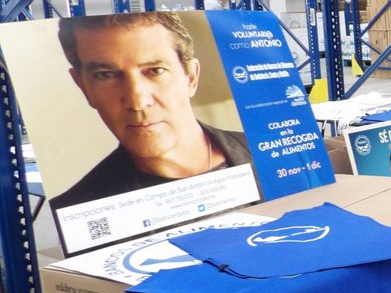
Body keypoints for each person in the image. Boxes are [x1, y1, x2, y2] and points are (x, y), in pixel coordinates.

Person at [51, 12, 252, 210]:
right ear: (83, 87)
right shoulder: (73, 210)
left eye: (156, 71)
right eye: (106, 75)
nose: (137, 102)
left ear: (191, 77)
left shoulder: (265, 153)